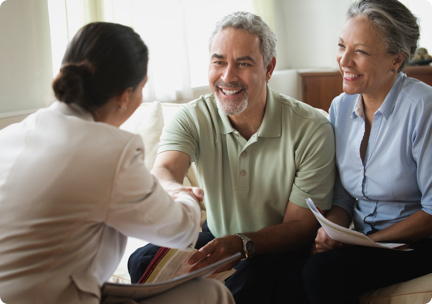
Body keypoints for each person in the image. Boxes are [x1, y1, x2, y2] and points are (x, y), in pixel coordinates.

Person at [0, 22, 235, 304]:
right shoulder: (111, 150)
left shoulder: (10, 135)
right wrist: (181, 196)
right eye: (142, 88)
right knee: (211, 293)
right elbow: (180, 232)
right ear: (125, 95)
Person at [128, 12, 336, 303]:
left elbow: (301, 228)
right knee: (142, 260)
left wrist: (242, 244)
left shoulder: (312, 127)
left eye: (243, 63)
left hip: (276, 248)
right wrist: (175, 189)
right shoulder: (192, 116)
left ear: (269, 67)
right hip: (217, 237)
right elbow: (164, 169)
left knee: (249, 283)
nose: (227, 76)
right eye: (219, 62)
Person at [302, 1, 432, 303]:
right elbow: (345, 197)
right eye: (341, 46)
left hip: (419, 242)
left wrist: (364, 242)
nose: (344, 60)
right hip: (365, 240)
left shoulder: (423, 108)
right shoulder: (341, 107)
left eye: (359, 51)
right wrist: (331, 233)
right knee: (291, 263)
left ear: (396, 59)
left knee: (322, 273)